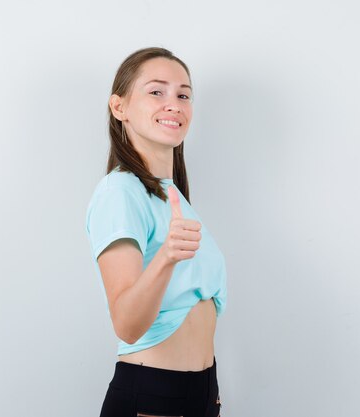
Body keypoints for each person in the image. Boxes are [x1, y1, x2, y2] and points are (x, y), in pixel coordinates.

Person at [85, 47, 228, 417]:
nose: (174, 104)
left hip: (200, 394)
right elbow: (127, 325)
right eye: (156, 92)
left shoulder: (173, 195)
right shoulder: (120, 191)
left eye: (183, 95)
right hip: (154, 398)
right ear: (120, 108)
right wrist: (165, 257)